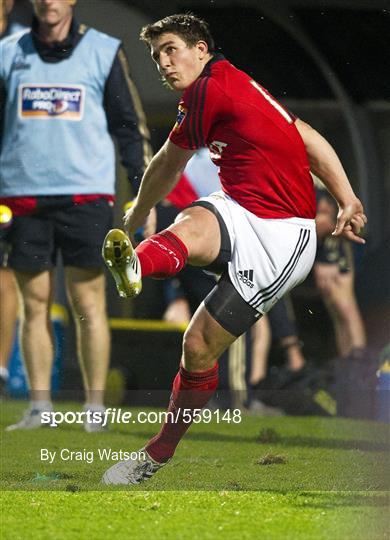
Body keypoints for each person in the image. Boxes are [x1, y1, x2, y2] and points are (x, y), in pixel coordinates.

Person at [101, 13, 367, 485]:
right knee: (192, 222)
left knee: (199, 347)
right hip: (240, 206)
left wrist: (139, 211)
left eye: (170, 50)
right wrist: (347, 196)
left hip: (283, 239)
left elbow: (168, 161)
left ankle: (158, 454)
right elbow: (310, 138)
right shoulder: (236, 83)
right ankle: (138, 264)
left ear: (201, 49)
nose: (163, 62)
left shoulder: (211, 89)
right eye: (156, 55)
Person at [0, 0, 151, 430]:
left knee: (89, 305)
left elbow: (129, 127)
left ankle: (95, 409)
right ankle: (39, 408)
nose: (49, 1)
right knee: (34, 306)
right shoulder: (8, 52)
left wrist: (142, 192)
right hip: (24, 199)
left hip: (87, 197)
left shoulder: (104, 50)